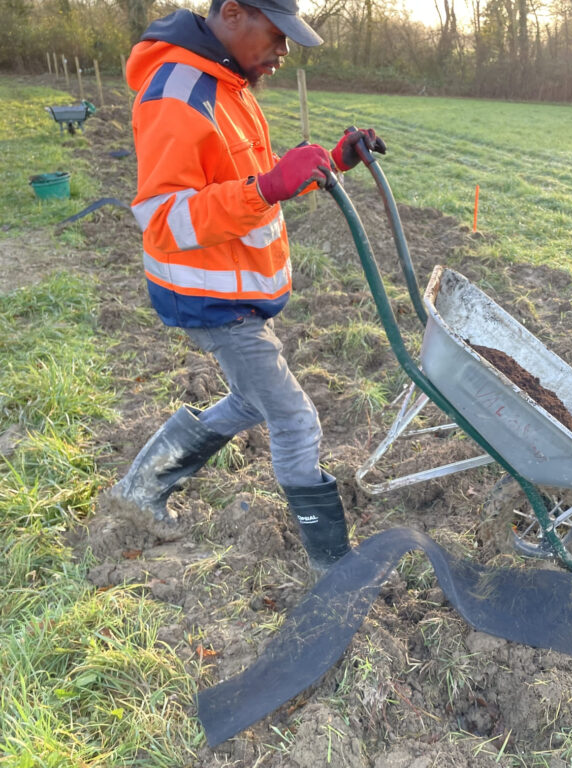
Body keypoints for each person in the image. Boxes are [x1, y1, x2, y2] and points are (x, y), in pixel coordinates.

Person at [111, 0, 386, 575]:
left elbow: (253, 186)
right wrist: (265, 188)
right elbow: (165, 219)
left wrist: (330, 161)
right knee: (294, 418)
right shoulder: (178, 93)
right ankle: (331, 566)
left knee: (248, 400)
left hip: (233, 289)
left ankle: (141, 488)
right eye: (277, 35)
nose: (283, 52)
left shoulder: (228, 85)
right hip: (211, 299)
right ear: (233, 13)